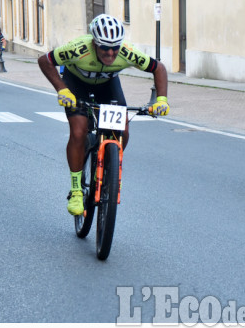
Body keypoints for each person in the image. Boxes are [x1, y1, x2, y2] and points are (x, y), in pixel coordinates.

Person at [38, 14, 170, 216]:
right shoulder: (77, 49)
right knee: (79, 131)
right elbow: (45, 60)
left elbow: (158, 68)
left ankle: (109, 168)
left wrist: (161, 100)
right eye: (104, 48)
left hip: (107, 86)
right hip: (76, 84)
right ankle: (76, 190)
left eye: (115, 48)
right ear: (94, 43)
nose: (110, 53)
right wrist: (62, 89)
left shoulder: (127, 52)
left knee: (123, 131)